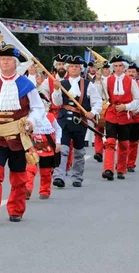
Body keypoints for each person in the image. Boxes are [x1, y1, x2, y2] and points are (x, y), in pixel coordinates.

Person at [0, 45, 44, 224]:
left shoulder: (26, 85)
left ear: (16, 63)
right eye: (2, 60)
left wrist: (31, 122)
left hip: (18, 137)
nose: (5, 63)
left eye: (9, 60)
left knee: (19, 177)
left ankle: (16, 210)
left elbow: (37, 108)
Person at [51, 55, 102, 188]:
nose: (74, 68)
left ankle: (77, 177)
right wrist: (56, 90)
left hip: (80, 121)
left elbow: (97, 102)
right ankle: (59, 176)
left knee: (79, 151)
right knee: (62, 149)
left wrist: (93, 112)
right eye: (72, 66)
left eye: (77, 67)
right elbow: (57, 102)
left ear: (81, 69)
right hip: (63, 121)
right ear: (68, 68)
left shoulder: (88, 85)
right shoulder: (61, 83)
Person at [102, 55, 139, 181]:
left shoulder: (131, 82)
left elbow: (138, 100)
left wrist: (126, 106)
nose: (118, 68)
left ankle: (121, 169)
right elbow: (101, 96)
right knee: (110, 142)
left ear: (124, 67)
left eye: (120, 66)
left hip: (125, 116)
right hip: (111, 114)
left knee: (124, 144)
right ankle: (108, 169)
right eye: (115, 66)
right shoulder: (106, 81)